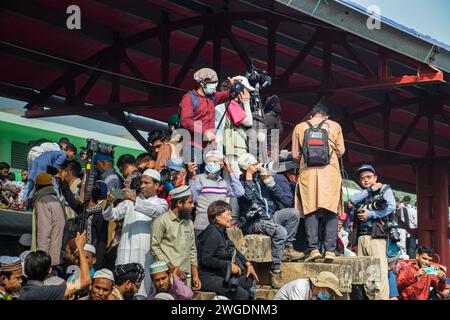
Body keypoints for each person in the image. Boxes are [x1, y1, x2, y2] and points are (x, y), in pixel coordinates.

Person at [237, 153, 303, 288]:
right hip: (254, 221)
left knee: (293, 213)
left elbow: (284, 200)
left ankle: (287, 248)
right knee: (281, 231)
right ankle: (275, 270)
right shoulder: (240, 182)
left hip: (270, 217)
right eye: (253, 165)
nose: (256, 167)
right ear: (245, 168)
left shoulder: (262, 181)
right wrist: (248, 176)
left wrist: (269, 181)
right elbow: (247, 198)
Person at [291, 103, 345, 263]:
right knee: (331, 210)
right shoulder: (335, 126)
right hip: (330, 173)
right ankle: (330, 251)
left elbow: (295, 154)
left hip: (308, 173)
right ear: (326, 116)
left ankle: (313, 249)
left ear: (311, 116)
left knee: (310, 210)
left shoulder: (299, 127)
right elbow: (341, 150)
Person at [102, 169, 168, 298]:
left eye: (146, 183)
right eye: (141, 182)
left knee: (142, 289)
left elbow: (156, 212)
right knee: (120, 288)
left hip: (145, 254)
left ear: (156, 185)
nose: (142, 185)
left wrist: (134, 199)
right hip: (125, 250)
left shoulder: (162, 203)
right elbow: (111, 216)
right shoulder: (129, 202)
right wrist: (109, 203)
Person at [349, 164, 396, 300]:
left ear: (376, 178)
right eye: (362, 178)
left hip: (377, 237)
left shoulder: (384, 189)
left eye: (369, 177)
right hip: (361, 237)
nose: (366, 180)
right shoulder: (363, 193)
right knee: (365, 274)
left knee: (378, 274)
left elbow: (391, 207)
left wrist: (371, 214)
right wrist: (370, 190)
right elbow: (351, 201)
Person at [197, 201, 259, 300]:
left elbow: (232, 247)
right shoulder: (212, 233)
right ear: (217, 217)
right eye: (228, 215)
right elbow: (206, 259)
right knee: (242, 294)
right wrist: (228, 265)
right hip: (208, 277)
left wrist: (248, 264)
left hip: (221, 274)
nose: (231, 218)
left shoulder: (221, 231)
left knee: (249, 280)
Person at [178, 68, 238, 165]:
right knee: (194, 177)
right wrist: (205, 132)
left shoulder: (212, 97)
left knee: (206, 179)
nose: (215, 86)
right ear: (202, 83)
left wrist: (234, 87)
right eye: (212, 83)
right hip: (193, 146)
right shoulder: (188, 98)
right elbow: (185, 121)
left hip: (209, 148)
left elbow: (228, 95)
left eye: (216, 83)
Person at [151, 186, 201, 291]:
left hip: (186, 276)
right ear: (179, 203)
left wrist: (195, 275)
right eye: (190, 202)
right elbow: (154, 247)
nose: (192, 206)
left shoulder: (189, 223)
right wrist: (173, 269)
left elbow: (192, 249)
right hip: (167, 277)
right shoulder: (161, 221)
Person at [188, 149, 245, 236]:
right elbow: (194, 198)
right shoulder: (199, 179)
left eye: (215, 161)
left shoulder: (223, 183)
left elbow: (239, 192)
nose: (211, 164)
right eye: (209, 161)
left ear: (222, 165)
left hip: (219, 228)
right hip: (202, 226)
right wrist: (192, 176)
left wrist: (230, 170)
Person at [19, 231, 91, 300]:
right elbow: (86, 280)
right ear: (49, 270)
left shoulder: (22, 291)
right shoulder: (46, 292)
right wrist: (80, 248)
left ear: (25, 270)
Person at [216, 77, 253, 166]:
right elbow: (248, 122)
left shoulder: (224, 102)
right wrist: (246, 103)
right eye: (245, 90)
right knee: (235, 177)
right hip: (235, 149)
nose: (248, 94)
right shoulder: (231, 103)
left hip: (231, 148)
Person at [32, 173, 66, 266]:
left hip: (49, 257)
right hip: (58, 251)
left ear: (37, 186)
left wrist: (41, 259)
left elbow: (44, 232)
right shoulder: (54, 198)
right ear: (51, 185)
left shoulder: (42, 200)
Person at [274, 271, 343, 300]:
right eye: (329, 291)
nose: (329, 294)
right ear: (321, 286)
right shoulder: (300, 286)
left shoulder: (313, 293)